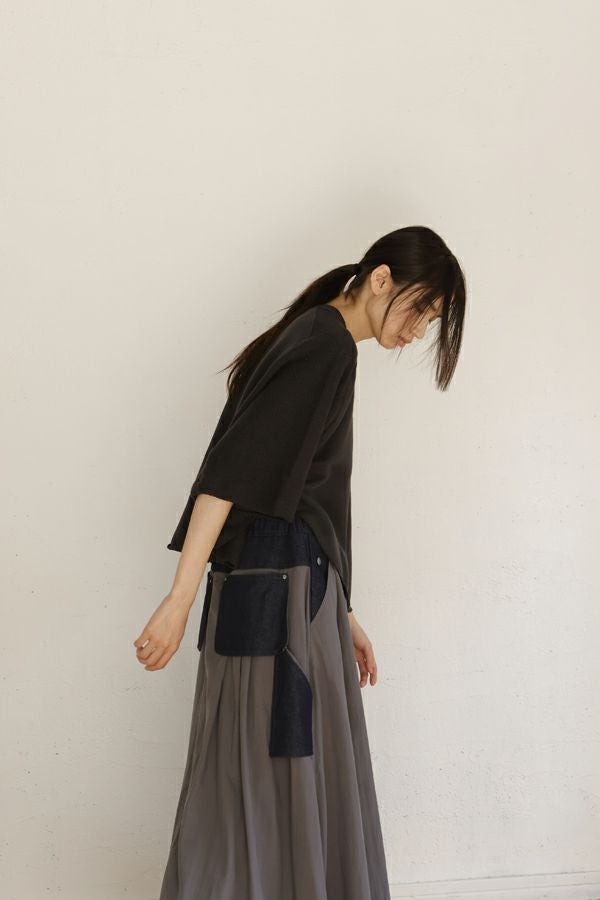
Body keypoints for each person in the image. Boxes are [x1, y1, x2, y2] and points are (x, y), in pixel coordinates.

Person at [134, 225, 466, 899]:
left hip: (288, 593)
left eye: (429, 322)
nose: (416, 332)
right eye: (419, 310)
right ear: (380, 279)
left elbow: (305, 497)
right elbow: (229, 475)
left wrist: (344, 612)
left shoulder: (314, 337)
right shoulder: (325, 345)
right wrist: (178, 598)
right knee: (274, 773)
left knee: (252, 779)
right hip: (281, 601)